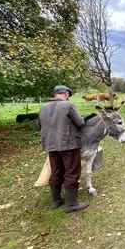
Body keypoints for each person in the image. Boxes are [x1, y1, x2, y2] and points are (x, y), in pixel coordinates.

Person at [36, 85, 89, 213]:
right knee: (72, 172)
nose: (68, 97)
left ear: (55, 94)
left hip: (51, 145)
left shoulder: (43, 107)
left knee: (56, 171)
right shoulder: (68, 106)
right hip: (69, 144)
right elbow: (80, 123)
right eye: (68, 95)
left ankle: (55, 200)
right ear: (65, 94)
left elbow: (38, 126)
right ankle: (71, 204)